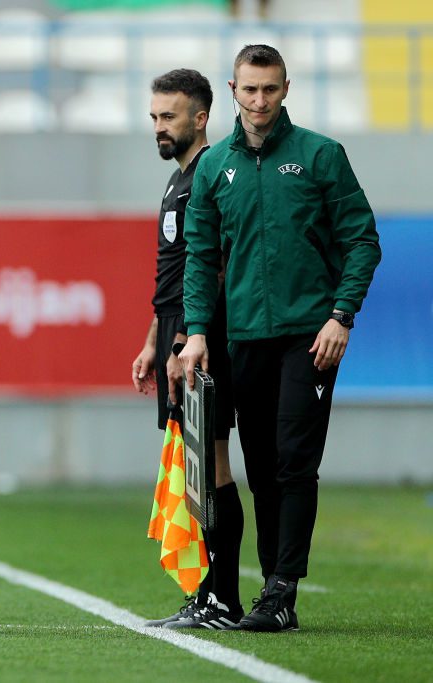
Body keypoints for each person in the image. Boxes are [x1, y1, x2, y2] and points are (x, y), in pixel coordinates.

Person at [180, 44, 381, 632]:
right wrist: (196, 334)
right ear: (233, 90)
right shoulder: (216, 167)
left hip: (309, 336)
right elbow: (199, 257)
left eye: (270, 89)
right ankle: (274, 592)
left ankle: (283, 588)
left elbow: (362, 240)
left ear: (286, 88)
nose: (260, 100)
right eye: (249, 90)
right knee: (262, 466)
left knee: (295, 461)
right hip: (245, 337)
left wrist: (341, 316)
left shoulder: (322, 156)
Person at [133, 69, 245, 630]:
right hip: (177, 330)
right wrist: (155, 339)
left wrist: (184, 339)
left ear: (200, 117)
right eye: (154, 116)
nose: (158, 127)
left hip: (202, 336)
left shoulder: (210, 173)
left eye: (169, 116)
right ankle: (205, 596)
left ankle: (224, 600)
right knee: (194, 467)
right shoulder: (178, 178)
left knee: (212, 463)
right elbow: (172, 271)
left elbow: (215, 264)